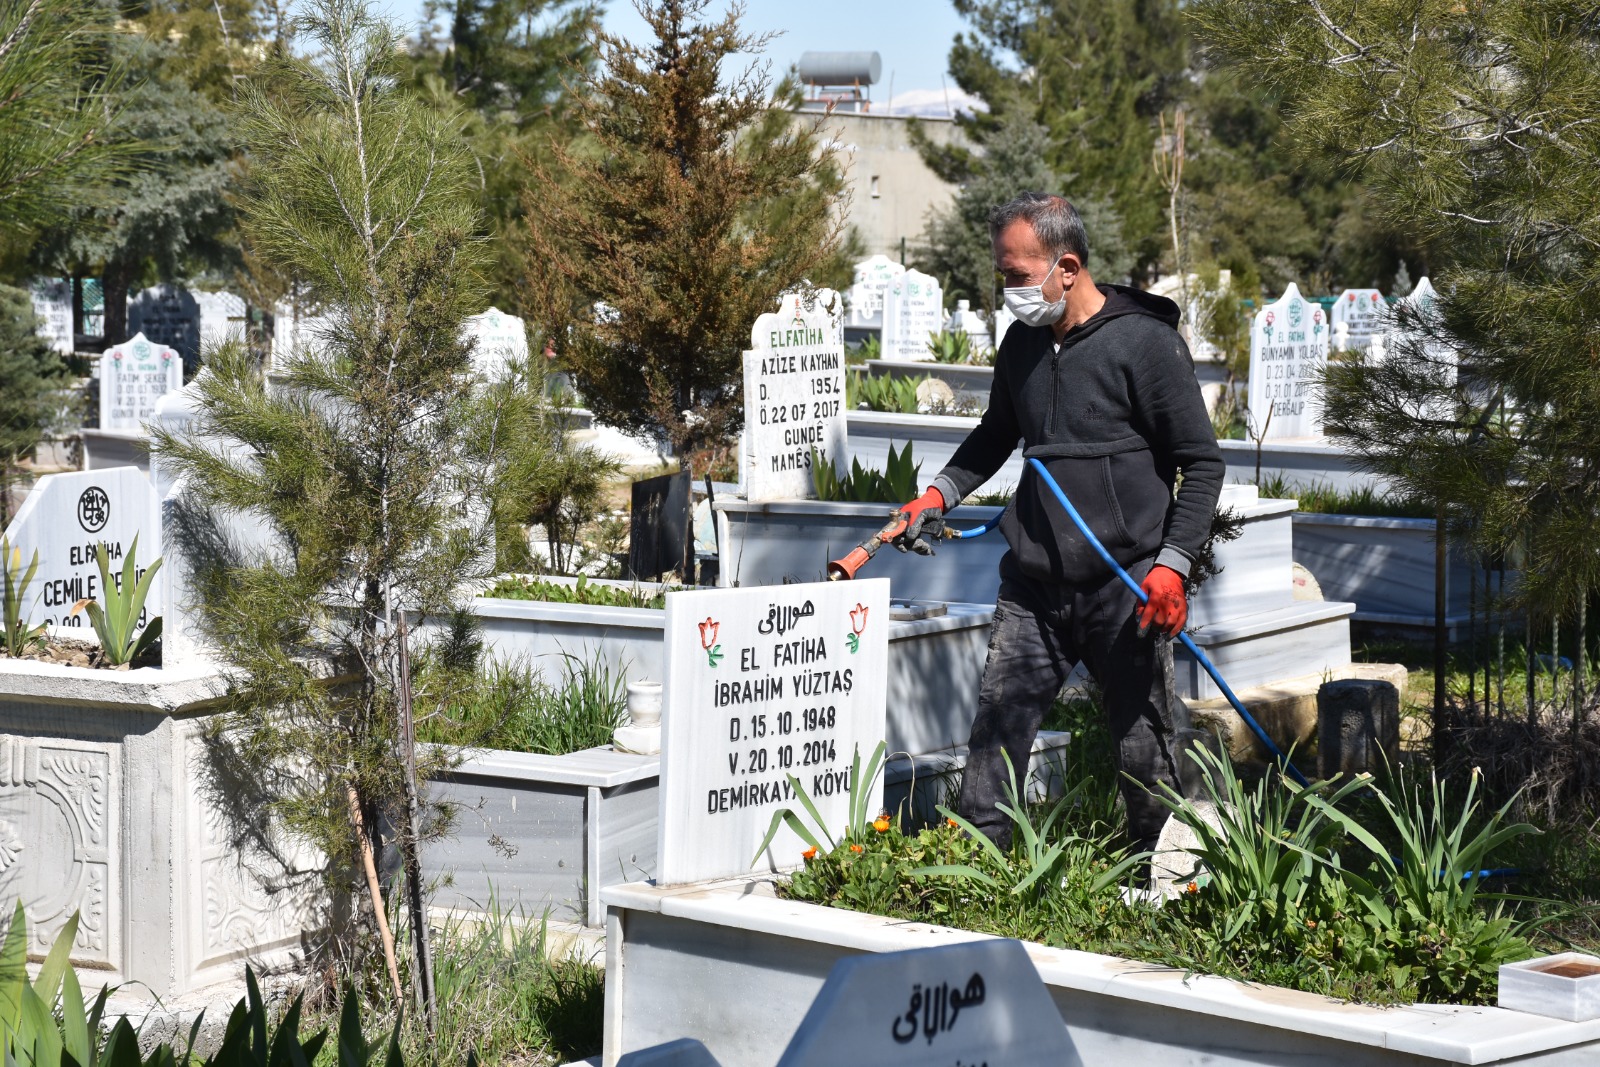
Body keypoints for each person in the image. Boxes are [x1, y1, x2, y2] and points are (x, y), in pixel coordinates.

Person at [893, 192, 1223, 855]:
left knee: (1146, 741)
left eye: (1018, 275)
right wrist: (937, 496)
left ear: (1066, 267)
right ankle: (978, 868)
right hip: (1036, 584)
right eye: (1004, 275)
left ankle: (1166, 875)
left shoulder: (1145, 345)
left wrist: (1172, 566)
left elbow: (1202, 465)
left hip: (1126, 581)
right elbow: (994, 435)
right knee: (996, 733)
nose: (1009, 290)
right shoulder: (1022, 345)